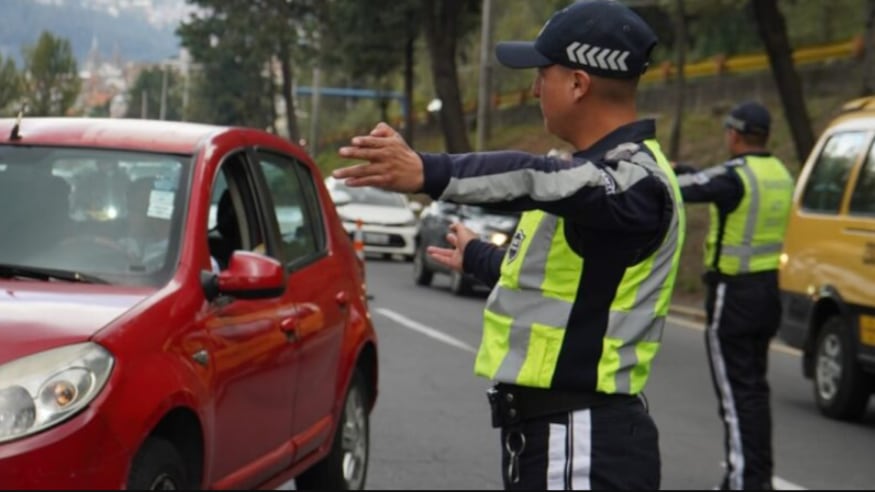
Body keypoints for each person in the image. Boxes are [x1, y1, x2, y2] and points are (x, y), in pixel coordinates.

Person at [334, 1, 686, 489]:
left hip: (580, 439)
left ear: (578, 83)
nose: (535, 88)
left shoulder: (633, 181)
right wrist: (478, 257)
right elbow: (566, 283)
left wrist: (427, 172)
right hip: (559, 434)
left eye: (543, 74)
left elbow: (533, 176)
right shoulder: (599, 176)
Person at [673, 101, 794, 490]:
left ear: (734, 134)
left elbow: (683, 188)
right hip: (768, 292)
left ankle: (745, 482)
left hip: (733, 295)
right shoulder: (780, 174)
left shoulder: (735, 176)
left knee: (735, 397)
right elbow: (709, 180)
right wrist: (690, 170)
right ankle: (752, 477)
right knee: (753, 391)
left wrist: (666, 170)